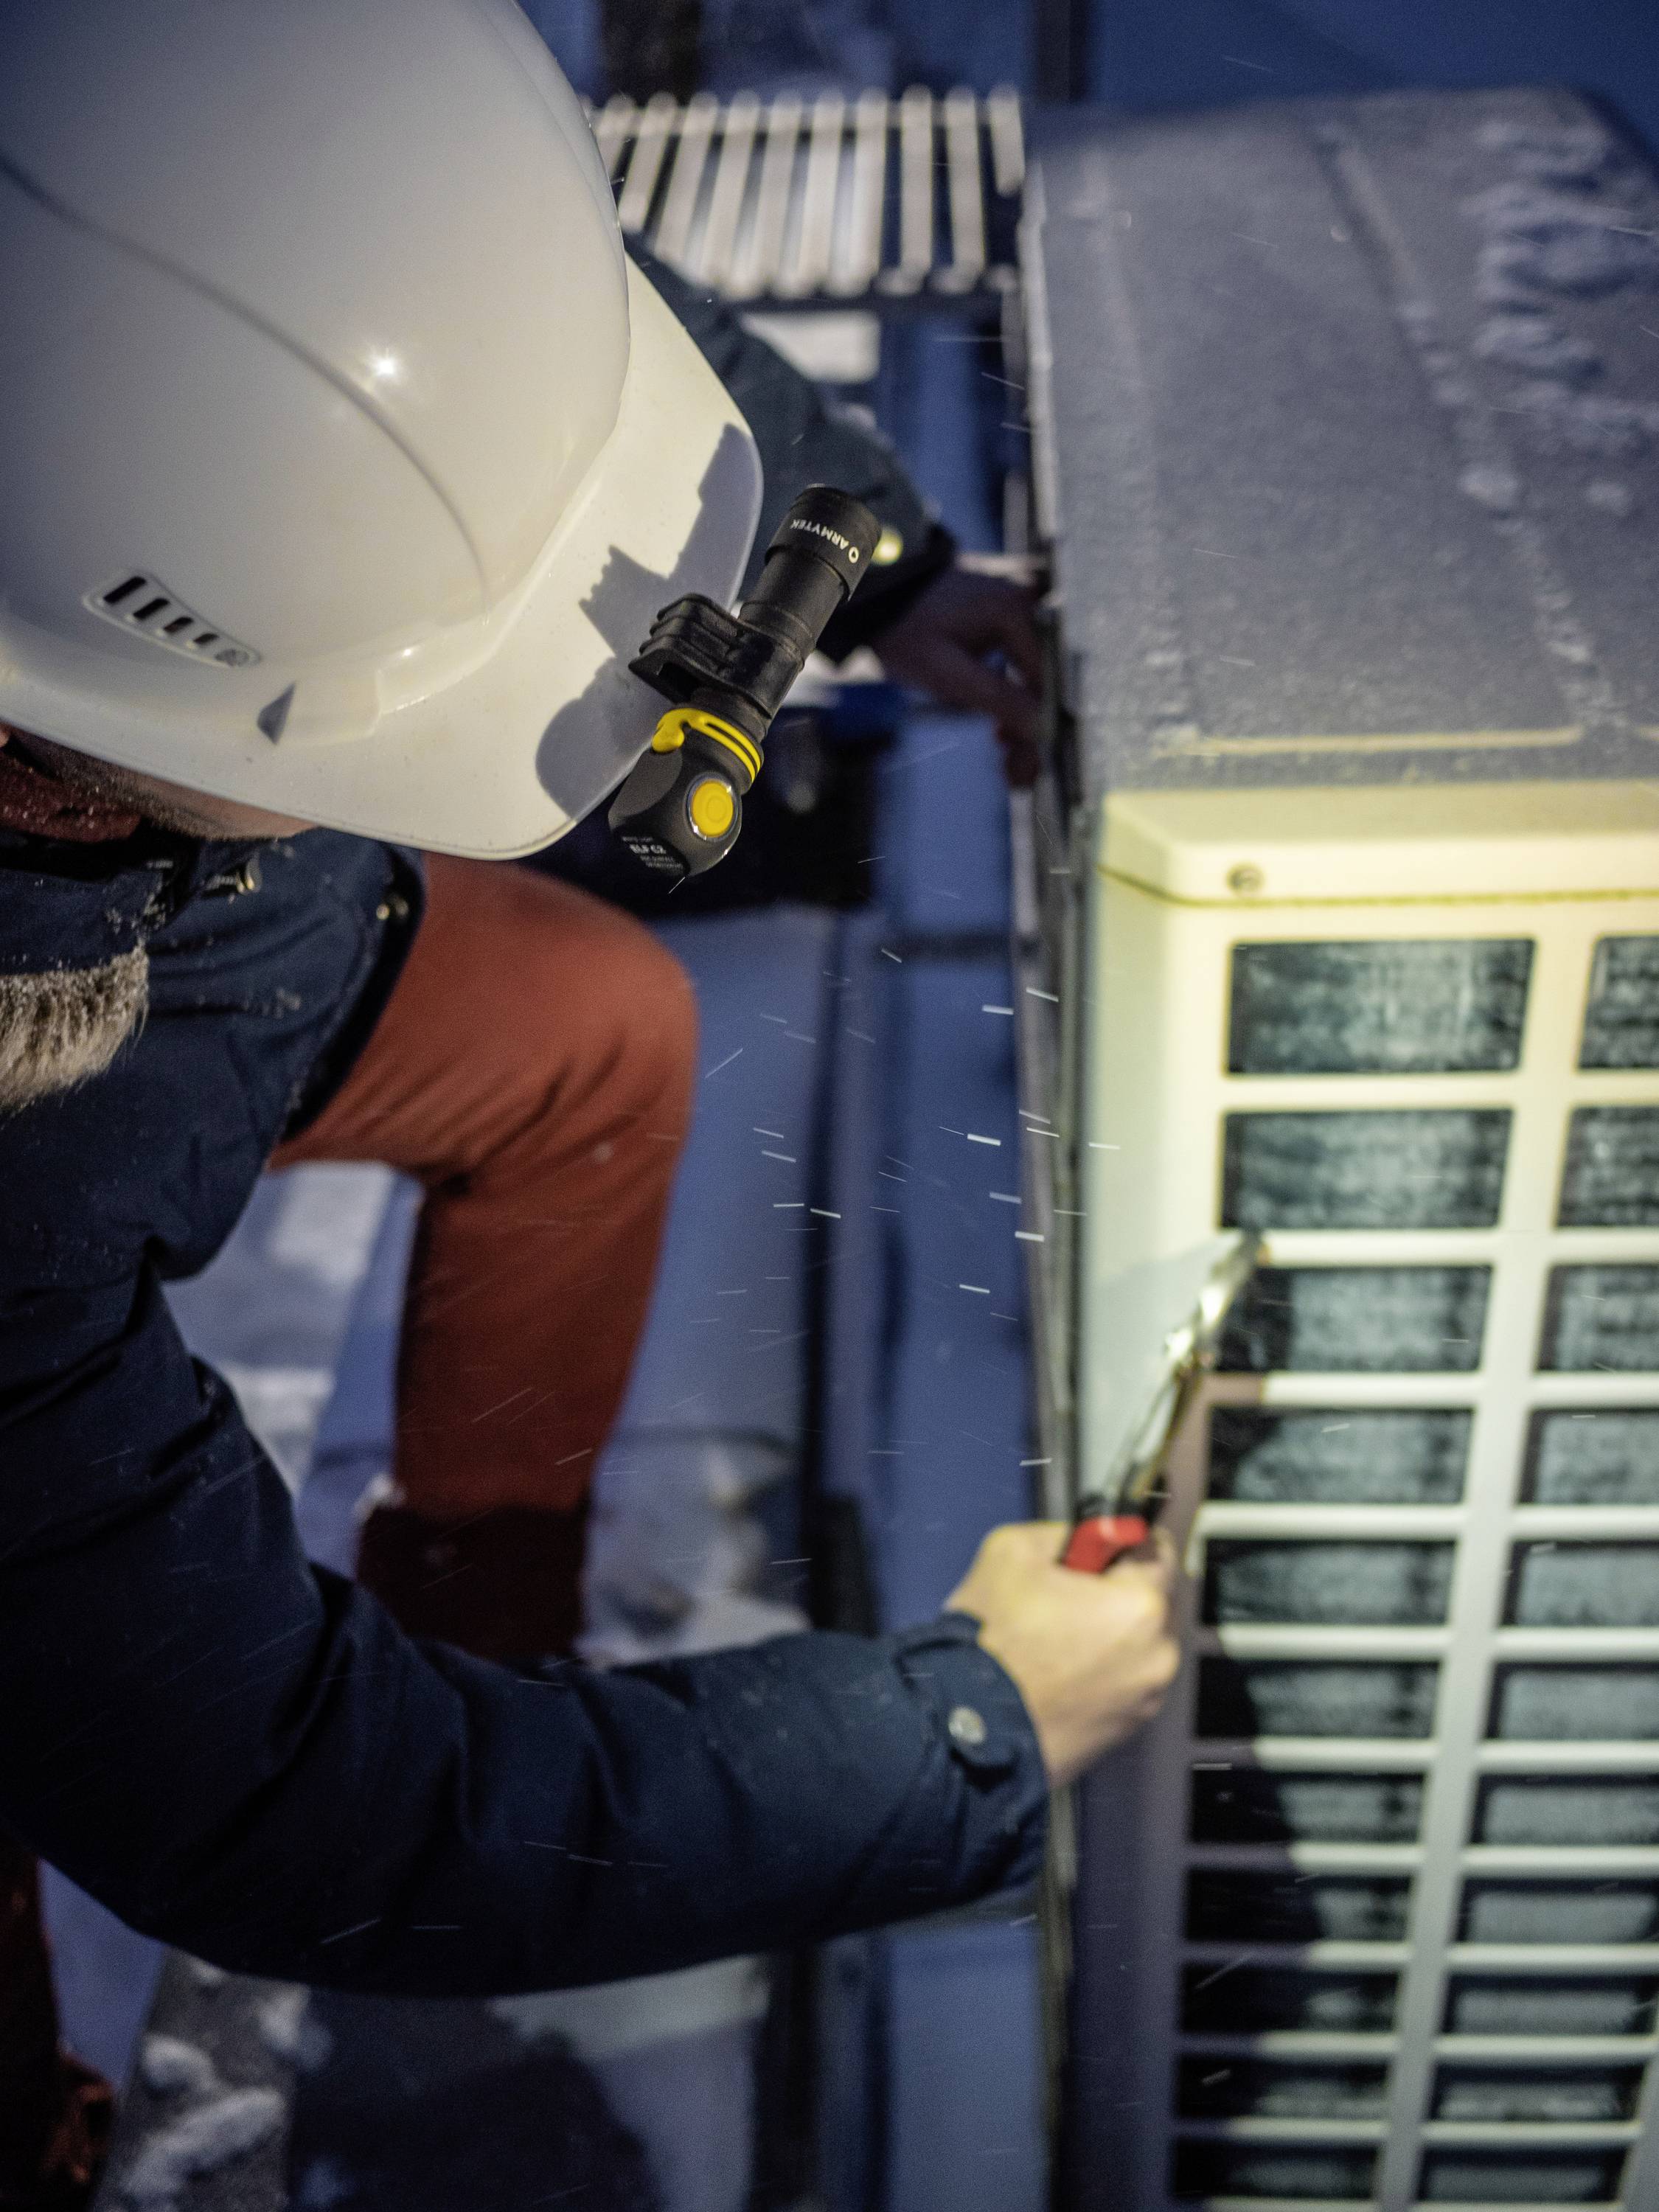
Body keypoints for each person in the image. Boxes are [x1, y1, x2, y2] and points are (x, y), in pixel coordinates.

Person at [0, 5, 1180, 2205]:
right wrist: (959, 1733)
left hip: (210, 951)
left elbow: (506, 346)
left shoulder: (142, 157)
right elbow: (286, 1807)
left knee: (593, 1040)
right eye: (391, 714)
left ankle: (487, 1640)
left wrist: (885, 560)